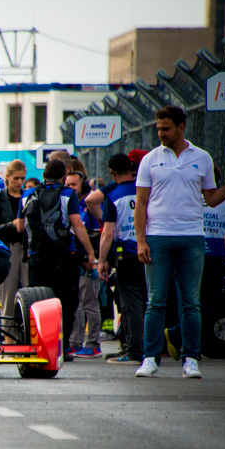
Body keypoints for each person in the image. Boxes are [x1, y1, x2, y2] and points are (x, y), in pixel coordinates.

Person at [134, 105, 225, 378]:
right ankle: (150, 358)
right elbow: (141, 203)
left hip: (191, 237)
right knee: (156, 301)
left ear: (181, 127)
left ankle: (191, 358)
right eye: (158, 128)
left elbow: (211, 199)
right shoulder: (150, 160)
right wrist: (141, 241)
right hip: (157, 237)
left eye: (165, 128)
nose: (160, 133)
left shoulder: (201, 158)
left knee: (191, 301)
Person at [15, 158, 98, 360]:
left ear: (44, 175)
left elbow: (19, 227)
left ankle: (37, 345)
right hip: (64, 257)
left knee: (37, 303)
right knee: (66, 304)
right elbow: (77, 225)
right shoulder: (68, 194)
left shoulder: (27, 195)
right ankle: (62, 348)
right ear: (64, 176)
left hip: (36, 258)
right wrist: (90, 252)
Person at [165, 164, 225, 359]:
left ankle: (183, 338)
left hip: (207, 254)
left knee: (198, 301)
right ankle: (183, 339)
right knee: (201, 301)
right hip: (205, 256)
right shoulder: (206, 200)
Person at [98, 154, 146, 365]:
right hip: (151, 252)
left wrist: (101, 261)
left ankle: (135, 351)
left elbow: (108, 233)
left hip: (127, 255)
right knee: (151, 302)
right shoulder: (145, 191)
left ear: (112, 173)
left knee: (131, 304)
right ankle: (150, 348)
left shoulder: (113, 196)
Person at [0, 160, 29, 332]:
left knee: (30, 293)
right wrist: (12, 225)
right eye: (16, 178)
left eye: (22, 179)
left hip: (26, 248)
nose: (19, 182)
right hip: (8, 248)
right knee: (7, 296)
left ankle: (29, 334)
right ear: (8, 177)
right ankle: (8, 337)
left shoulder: (28, 196)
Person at [67, 170, 103, 358]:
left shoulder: (89, 204)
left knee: (90, 303)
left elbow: (98, 232)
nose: (70, 188)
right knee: (77, 305)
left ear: (83, 185)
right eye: (68, 184)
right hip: (76, 261)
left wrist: (95, 259)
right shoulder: (69, 204)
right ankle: (75, 343)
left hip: (90, 261)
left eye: (74, 184)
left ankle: (93, 345)